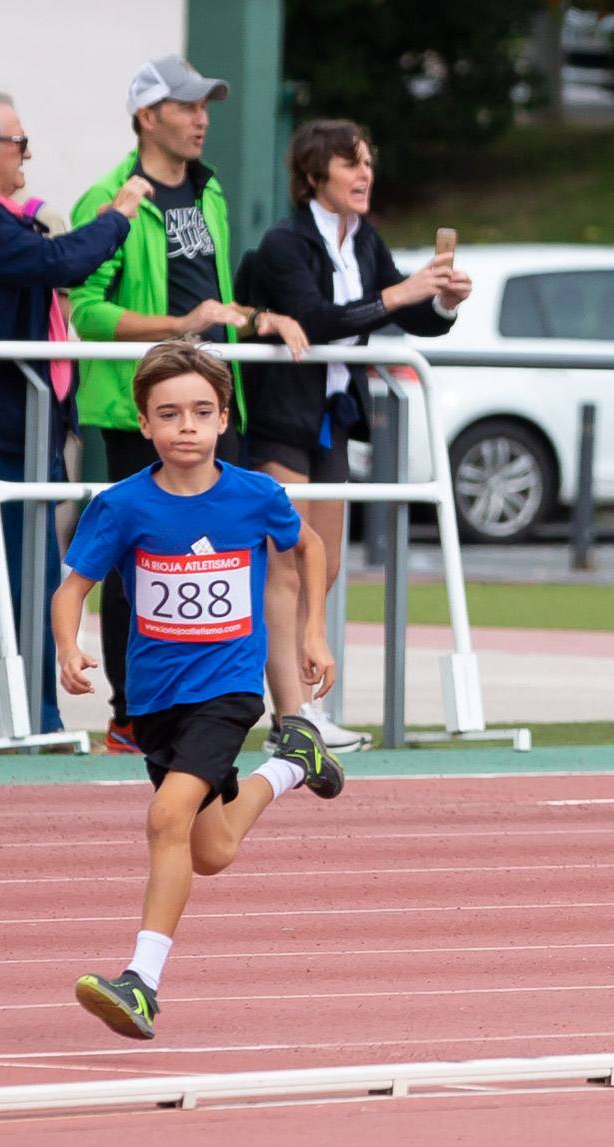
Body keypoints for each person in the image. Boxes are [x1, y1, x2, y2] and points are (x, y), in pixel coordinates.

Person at [60, 342, 340, 1040]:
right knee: (209, 850)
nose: (186, 426)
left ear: (223, 419)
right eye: (169, 413)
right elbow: (74, 588)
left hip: (229, 689)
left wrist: (313, 632)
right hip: (156, 700)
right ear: (145, 423)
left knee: (167, 817)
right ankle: (291, 762)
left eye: (201, 412)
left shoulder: (255, 496)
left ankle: (141, 982)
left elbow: (308, 546)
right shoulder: (121, 506)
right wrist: (69, 644)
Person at [72, 56, 314, 752]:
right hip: (136, 407)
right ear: (148, 117)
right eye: (185, 105)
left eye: (206, 104)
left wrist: (255, 318)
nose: (201, 117)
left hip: (211, 401)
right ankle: (130, 715)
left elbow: (207, 302)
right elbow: (85, 311)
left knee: (237, 554)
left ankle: (242, 709)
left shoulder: (210, 194)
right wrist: (178, 328)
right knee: (136, 562)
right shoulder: (108, 198)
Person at [237, 118, 465, 755]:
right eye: (349, 163)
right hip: (281, 415)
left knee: (324, 565)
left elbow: (410, 314)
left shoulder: (365, 240)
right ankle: (292, 715)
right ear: (315, 176)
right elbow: (316, 319)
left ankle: (311, 703)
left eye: (368, 162)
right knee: (285, 560)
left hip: (333, 415)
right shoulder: (285, 243)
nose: (365, 174)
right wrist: (400, 294)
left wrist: (442, 300)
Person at [0, 88, 143, 741]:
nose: (27, 152)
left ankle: (28, 712)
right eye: (18, 141)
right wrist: (120, 214)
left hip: (24, 426)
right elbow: (61, 263)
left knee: (32, 578)